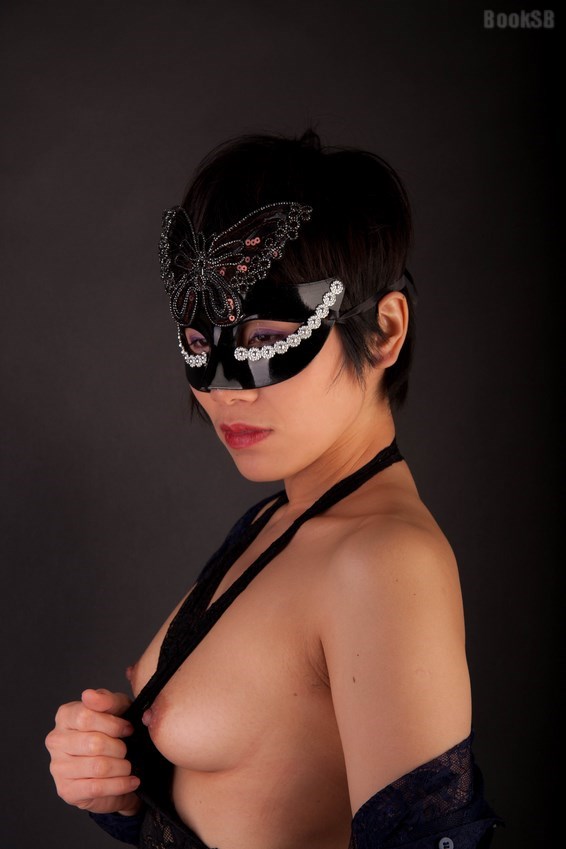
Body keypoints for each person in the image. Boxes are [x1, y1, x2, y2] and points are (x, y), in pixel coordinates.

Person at [45, 130, 504, 848]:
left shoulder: (382, 561)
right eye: (200, 344)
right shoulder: (280, 519)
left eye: (263, 340)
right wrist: (119, 785)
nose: (225, 391)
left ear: (384, 331)